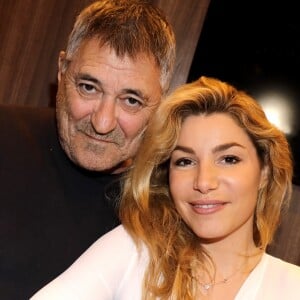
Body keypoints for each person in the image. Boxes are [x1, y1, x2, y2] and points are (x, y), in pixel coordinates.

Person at [31, 76, 300, 300]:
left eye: (228, 159)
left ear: (264, 171)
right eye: (185, 161)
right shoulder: (133, 251)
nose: (203, 182)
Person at [0, 1, 175, 299]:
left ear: (161, 104)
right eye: (89, 87)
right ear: (62, 71)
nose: (103, 122)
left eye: (131, 100)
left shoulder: (171, 207)